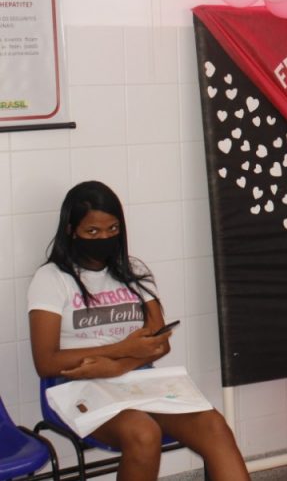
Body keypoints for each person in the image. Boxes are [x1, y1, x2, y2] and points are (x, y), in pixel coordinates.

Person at [27, 181, 249, 480]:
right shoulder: (51, 278)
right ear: (71, 230)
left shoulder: (133, 271)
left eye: (112, 229)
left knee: (214, 426)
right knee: (143, 433)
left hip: (136, 378)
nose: (104, 237)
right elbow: (45, 362)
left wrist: (117, 365)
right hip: (75, 384)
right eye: (92, 231)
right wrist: (121, 350)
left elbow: (160, 342)